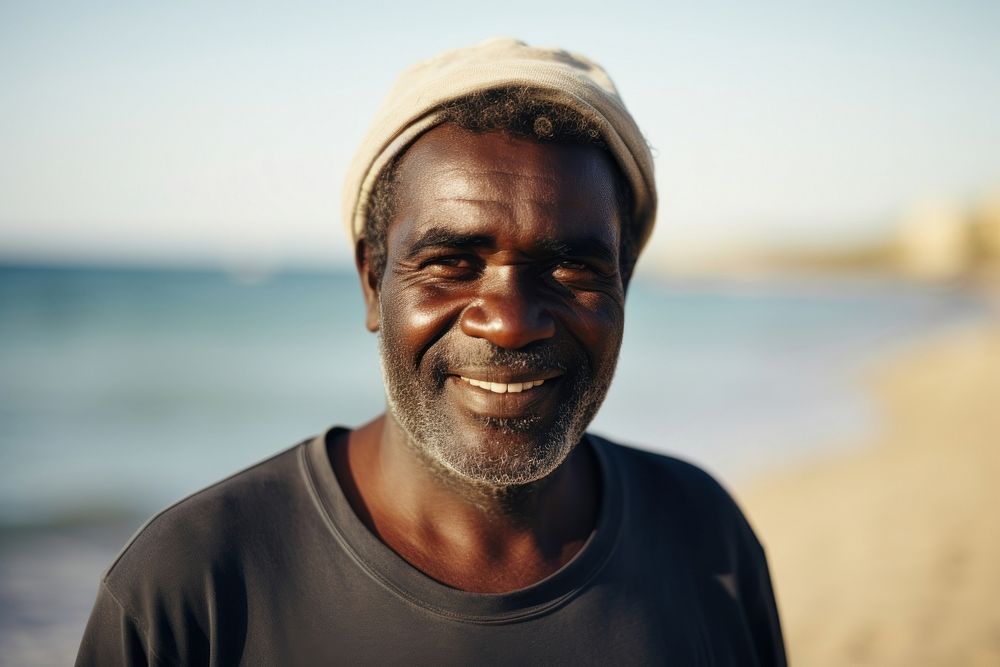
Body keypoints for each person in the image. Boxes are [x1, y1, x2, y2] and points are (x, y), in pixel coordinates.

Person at [77, 38, 786, 665]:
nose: (509, 323)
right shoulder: (190, 587)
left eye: (572, 267)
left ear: (623, 283)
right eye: (452, 261)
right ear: (371, 280)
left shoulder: (706, 536)